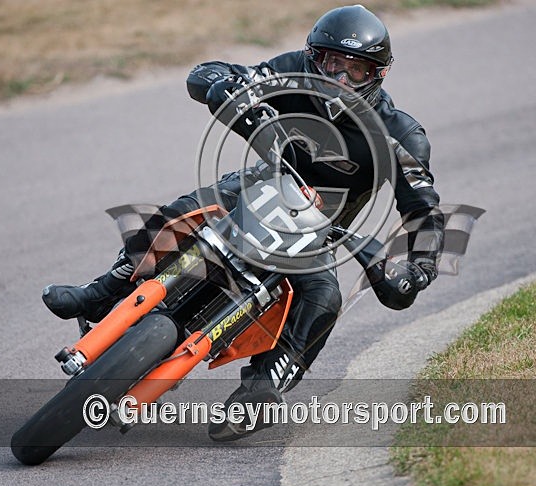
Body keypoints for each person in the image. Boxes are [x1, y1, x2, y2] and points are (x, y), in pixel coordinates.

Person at [42, 5, 444, 441]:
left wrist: (418, 267)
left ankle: (261, 391)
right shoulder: (290, 71)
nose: (340, 79)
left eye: (356, 70)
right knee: (181, 213)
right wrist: (223, 86)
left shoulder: (401, 135)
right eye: (331, 63)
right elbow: (211, 73)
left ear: (378, 75)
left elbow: (423, 212)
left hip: (319, 232)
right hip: (258, 188)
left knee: (325, 297)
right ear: (313, 58)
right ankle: (102, 293)